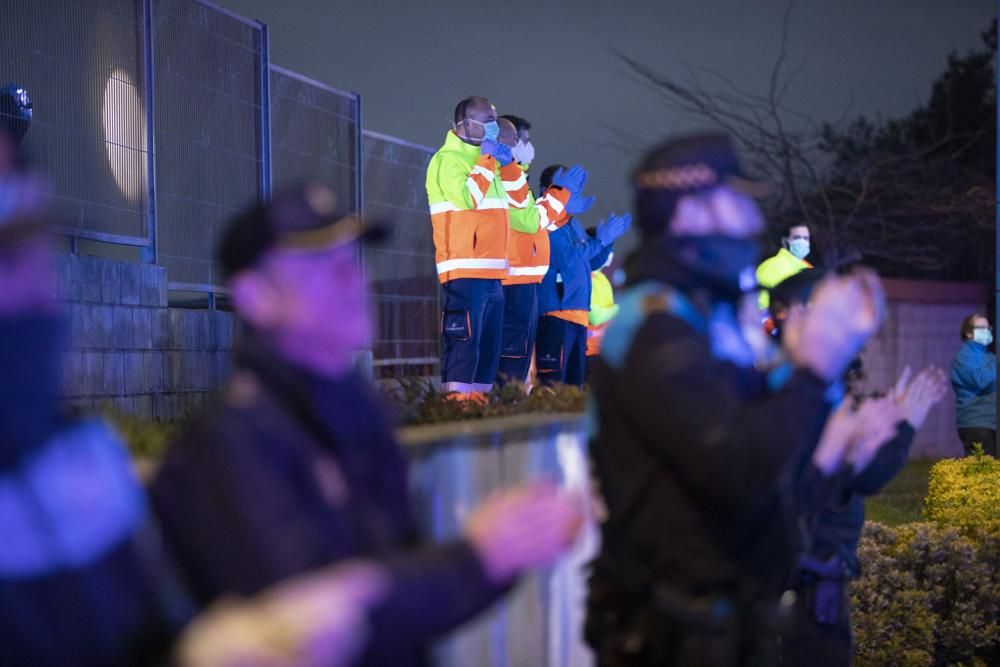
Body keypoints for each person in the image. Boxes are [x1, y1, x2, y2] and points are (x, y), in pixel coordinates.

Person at [150, 183, 584, 667]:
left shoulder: (359, 413)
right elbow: (311, 624)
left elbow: (392, 593)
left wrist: (498, 552)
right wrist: (479, 559)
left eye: (351, 260)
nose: (351, 279)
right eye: (319, 265)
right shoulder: (231, 442)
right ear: (255, 296)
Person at [584, 133, 886, 666]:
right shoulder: (659, 328)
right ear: (690, 214)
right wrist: (813, 369)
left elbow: (767, 461)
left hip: (727, 623)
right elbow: (737, 469)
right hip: (680, 634)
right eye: (736, 201)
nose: (751, 221)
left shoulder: (704, 316)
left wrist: (823, 421)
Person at [0, 133, 188, 666]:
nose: (41, 295)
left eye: (36, 256)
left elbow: (154, 633)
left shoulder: (88, 459)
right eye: (11, 258)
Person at [768, 271, 948, 666]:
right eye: (838, 314)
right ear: (796, 317)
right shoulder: (791, 395)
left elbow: (854, 475)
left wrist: (892, 428)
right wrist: (899, 429)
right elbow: (852, 478)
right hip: (802, 586)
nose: (853, 330)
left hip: (812, 580)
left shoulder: (810, 389)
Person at [425, 97, 586, 398]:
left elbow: (526, 218)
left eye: (494, 122)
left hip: (496, 274)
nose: (492, 130)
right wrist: (488, 160)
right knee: (465, 350)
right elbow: (467, 198)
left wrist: (509, 166)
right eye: (487, 122)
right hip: (466, 270)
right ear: (464, 123)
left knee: (487, 354)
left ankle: (483, 412)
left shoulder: (492, 164)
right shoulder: (448, 160)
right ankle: (457, 414)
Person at [494, 115, 573, 386]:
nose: (527, 146)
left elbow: (538, 224)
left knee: (518, 357)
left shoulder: (516, 178)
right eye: (521, 140)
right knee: (510, 361)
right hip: (512, 281)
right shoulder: (503, 177)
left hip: (524, 281)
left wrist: (564, 208)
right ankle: (503, 412)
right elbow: (530, 221)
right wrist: (560, 194)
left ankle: (510, 407)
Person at [536, 164, 630, 387]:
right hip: (556, 313)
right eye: (563, 184)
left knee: (574, 386)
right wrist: (599, 242)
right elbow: (566, 258)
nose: (570, 191)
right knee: (554, 384)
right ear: (545, 190)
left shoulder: (573, 224)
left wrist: (606, 242)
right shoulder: (546, 223)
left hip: (579, 316)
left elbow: (590, 263)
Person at [950, 313, 997, 456]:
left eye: (988, 327)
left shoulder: (991, 357)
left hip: (992, 423)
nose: (987, 331)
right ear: (969, 333)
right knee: (981, 475)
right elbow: (980, 380)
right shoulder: (963, 357)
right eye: (981, 328)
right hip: (976, 424)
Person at [756, 222, 812, 310]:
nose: (802, 242)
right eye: (797, 238)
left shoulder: (807, 269)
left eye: (806, 238)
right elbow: (760, 304)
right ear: (785, 241)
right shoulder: (771, 267)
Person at [585, 227, 618, 367]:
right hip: (585, 351)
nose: (610, 254)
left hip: (601, 351)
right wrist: (618, 308)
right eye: (606, 247)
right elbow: (595, 317)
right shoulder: (586, 278)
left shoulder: (603, 279)